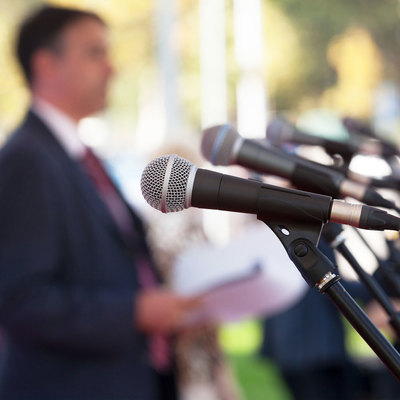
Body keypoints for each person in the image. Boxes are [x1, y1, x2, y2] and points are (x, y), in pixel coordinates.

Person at [0, 5, 201, 400]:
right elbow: (22, 300)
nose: (112, 69)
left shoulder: (79, 156)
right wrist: (135, 312)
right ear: (47, 64)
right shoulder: (26, 160)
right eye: (95, 53)